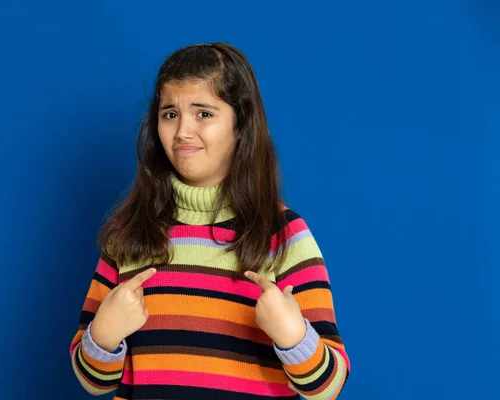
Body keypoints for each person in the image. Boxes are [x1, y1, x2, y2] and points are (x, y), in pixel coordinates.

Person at [69, 42, 350, 399]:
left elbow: (329, 387)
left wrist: (294, 336)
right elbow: (93, 381)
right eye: (170, 114)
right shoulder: (128, 233)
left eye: (203, 113)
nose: (183, 131)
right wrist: (103, 336)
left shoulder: (285, 236)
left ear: (240, 125)